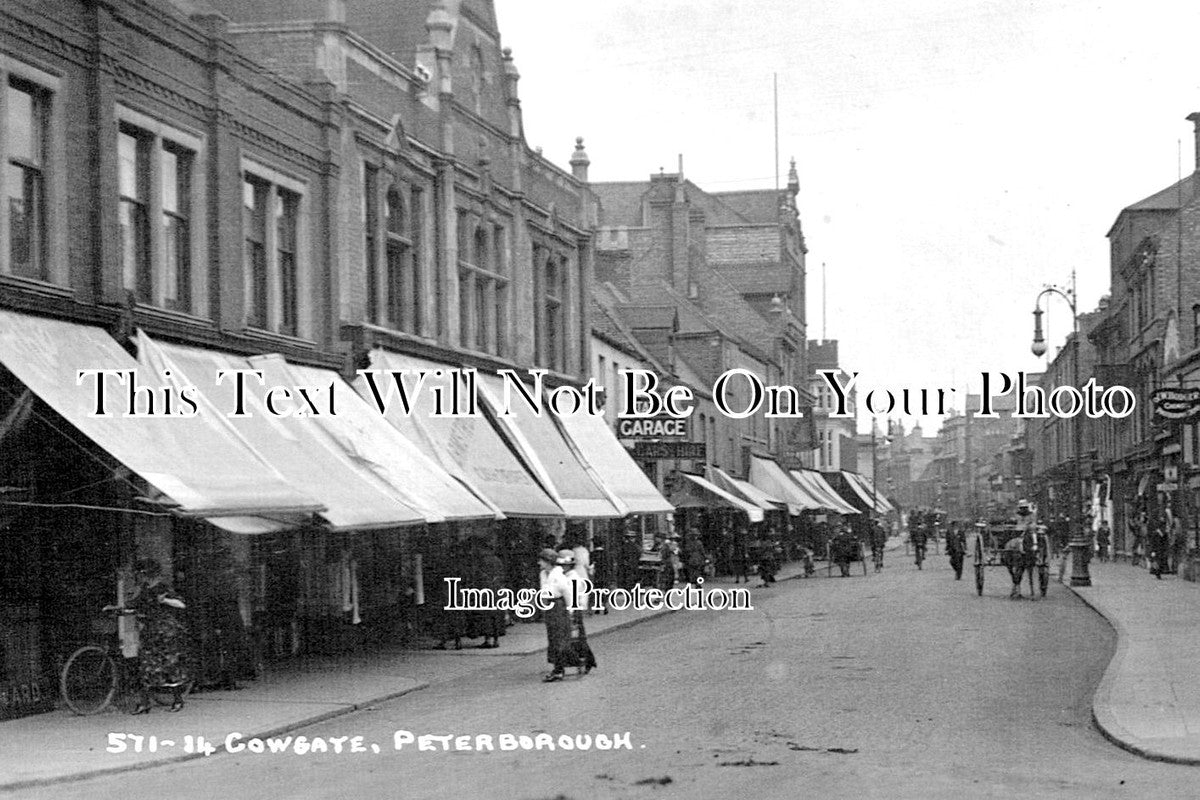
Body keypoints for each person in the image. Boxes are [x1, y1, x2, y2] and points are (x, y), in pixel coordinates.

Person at [128, 558, 191, 714]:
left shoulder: (162, 587)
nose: (138, 577)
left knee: (169, 665)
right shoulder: (143, 589)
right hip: (149, 631)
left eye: (140, 574)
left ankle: (177, 700)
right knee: (144, 666)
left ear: (146, 574)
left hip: (165, 631)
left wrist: (166, 600)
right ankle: (144, 703)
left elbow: (181, 604)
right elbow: (134, 604)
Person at [537, 548, 572, 682]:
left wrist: (571, 609)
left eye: (541, 560)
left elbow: (567, 592)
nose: (539, 563)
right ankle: (558, 666)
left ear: (548, 561)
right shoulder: (543, 574)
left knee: (558, 636)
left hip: (558, 605)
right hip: (549, 606)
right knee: (552, 636)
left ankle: (559, 669)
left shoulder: (558, 575)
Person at [560, 549, 597, 675]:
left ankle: (586, 660)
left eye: (563, 565)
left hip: (574, 611)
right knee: (575, 638)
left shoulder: (573, 578)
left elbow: (575, 597)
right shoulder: (568, 576)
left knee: (576, 639)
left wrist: (572, 611)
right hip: (571, 611)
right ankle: (584, 660)